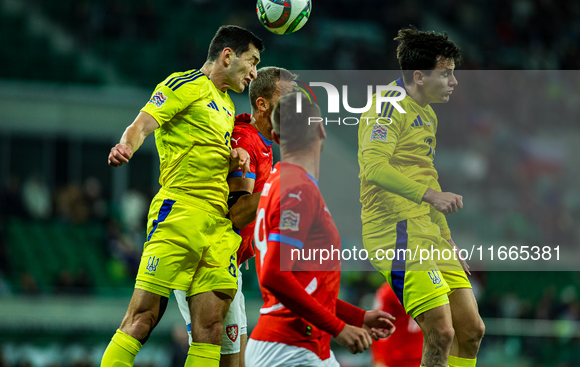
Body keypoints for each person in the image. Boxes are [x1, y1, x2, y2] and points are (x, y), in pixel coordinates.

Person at [101, 25, 263, 367]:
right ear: (227, 55)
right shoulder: (184, 85)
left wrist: (236, 158)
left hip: (218, 226)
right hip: (179, 213)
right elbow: (143, 123)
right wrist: (125, 145)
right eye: (252, 61)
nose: (254, 72)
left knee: (211, 330)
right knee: (142, 319)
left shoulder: (228, 107)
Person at [358, 27, 485, 367]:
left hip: (428, 232)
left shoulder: (427, 113)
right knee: (441, 332)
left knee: (471, 330)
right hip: (393, 231)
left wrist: (447, 238)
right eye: (446, 75)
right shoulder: (387, 106)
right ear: (419, 75)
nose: (453, 82)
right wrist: (430, 196)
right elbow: (373, 167)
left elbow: (425, 175)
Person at [246, 92, 396, 367]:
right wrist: (339, 328)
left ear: (277, 138)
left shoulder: (282, 182)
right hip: (289, 348)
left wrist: (357, 318)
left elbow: (306, 286)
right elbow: (274, 275)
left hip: (301, 346)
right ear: (320, 129)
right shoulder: (298, 191)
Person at [174, 66, 298, 367]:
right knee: (215, 354)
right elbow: (236, 212)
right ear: (262, 104)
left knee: (235, 363)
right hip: (205, 258)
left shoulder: (265, 148)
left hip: (228, 262)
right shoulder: (245, 141)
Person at [371, 282, 423, 367]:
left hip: (425, 356)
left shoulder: (432, 285)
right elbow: (378, 325)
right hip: (397, 360)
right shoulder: (389, 291)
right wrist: (379, 358)